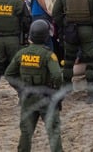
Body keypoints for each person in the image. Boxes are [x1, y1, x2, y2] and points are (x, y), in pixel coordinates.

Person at [5, 19, 63, 152]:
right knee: (53, 132)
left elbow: (9, 74)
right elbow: (57, 75)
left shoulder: (21, 53)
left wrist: (20, 89)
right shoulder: (48, 55)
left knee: (26, 132)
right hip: (45, 97)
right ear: (46, 36)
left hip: (28, 97)